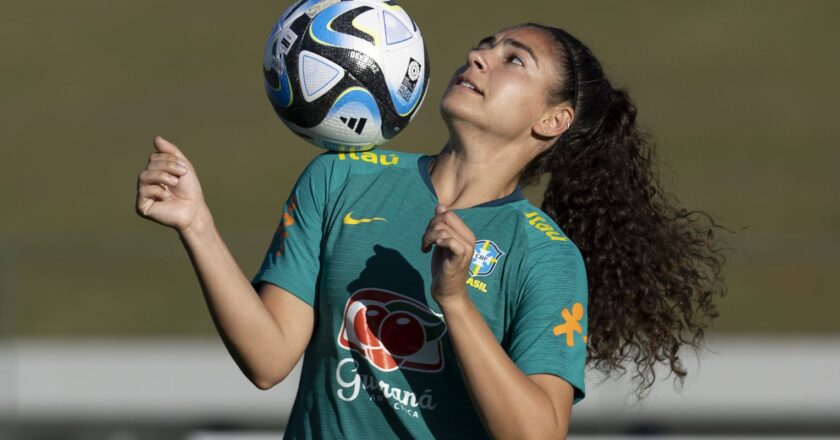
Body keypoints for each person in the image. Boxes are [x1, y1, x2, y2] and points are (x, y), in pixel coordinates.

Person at [136, 23, 726, 439]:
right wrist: (198, 224)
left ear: (553, 120)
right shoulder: (340, 176)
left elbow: (536, 434)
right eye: (484, 46)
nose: (478, 57)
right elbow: (267, 359)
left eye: (513, 59)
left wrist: (455, 302)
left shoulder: (546, 256)